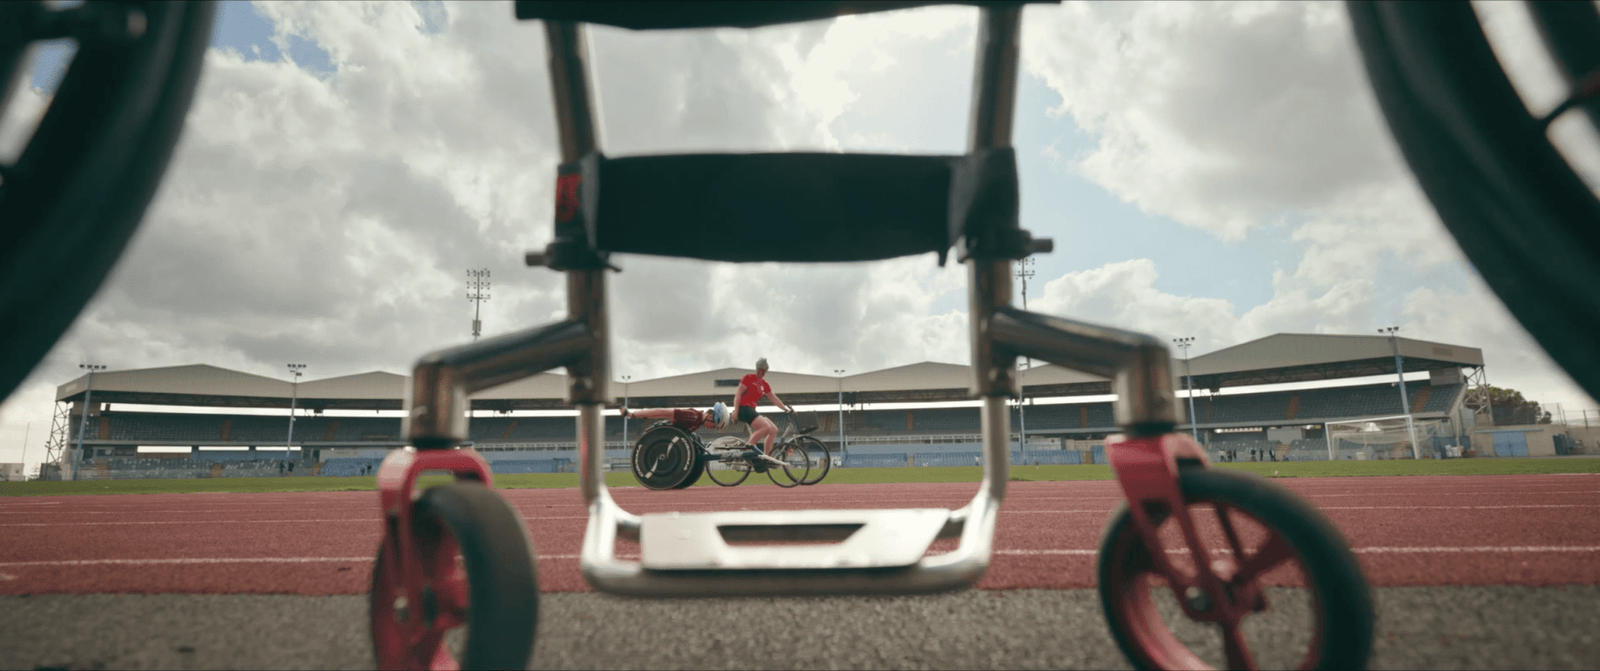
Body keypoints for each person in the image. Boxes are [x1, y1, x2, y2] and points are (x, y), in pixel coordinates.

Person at [734, 358, 793, 457]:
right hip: (743, 408)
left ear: (765, 371)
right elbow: (738, 394)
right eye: (759, 370)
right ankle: (748, 448)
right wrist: (735, 411)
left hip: (751, 410)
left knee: (773, 430)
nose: (760, 372)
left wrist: (785, 409)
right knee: (765, 427)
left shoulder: (764, 384)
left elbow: (774, 398)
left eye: (763, 371)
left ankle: (767, 456)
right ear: (756, 369)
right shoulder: (748, 378)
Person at [620, 402, 731, 435]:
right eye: (714, 425)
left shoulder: (697, 421)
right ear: (710, 417)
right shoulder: (693, 416)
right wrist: (632, 414)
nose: (712, 428)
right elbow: (661, 412)